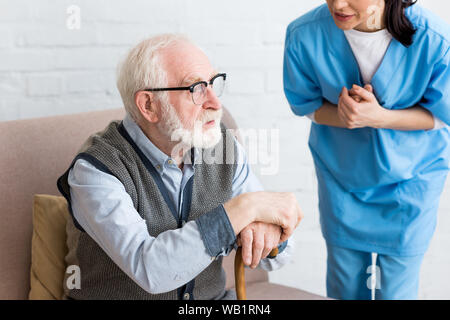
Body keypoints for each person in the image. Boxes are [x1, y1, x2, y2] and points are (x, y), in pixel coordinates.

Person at [57, 34, 303, 300]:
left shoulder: (220, 145)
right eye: (196, 88)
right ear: (149, 105)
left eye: (212, 83)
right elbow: (150, 269)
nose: (215, 102)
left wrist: (267, 229)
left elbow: (278, 257)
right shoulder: (96, 169)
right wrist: (244, 209)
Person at [283, 0, 449, 300]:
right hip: (342, 178)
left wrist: (380, 118)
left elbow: (441, 116)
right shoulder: (304, 34)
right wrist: (346, 118)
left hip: (411, 182)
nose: (338, 4)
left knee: (395, 292)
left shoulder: (434, 39)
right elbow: (306, 105)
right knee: (345, 288)